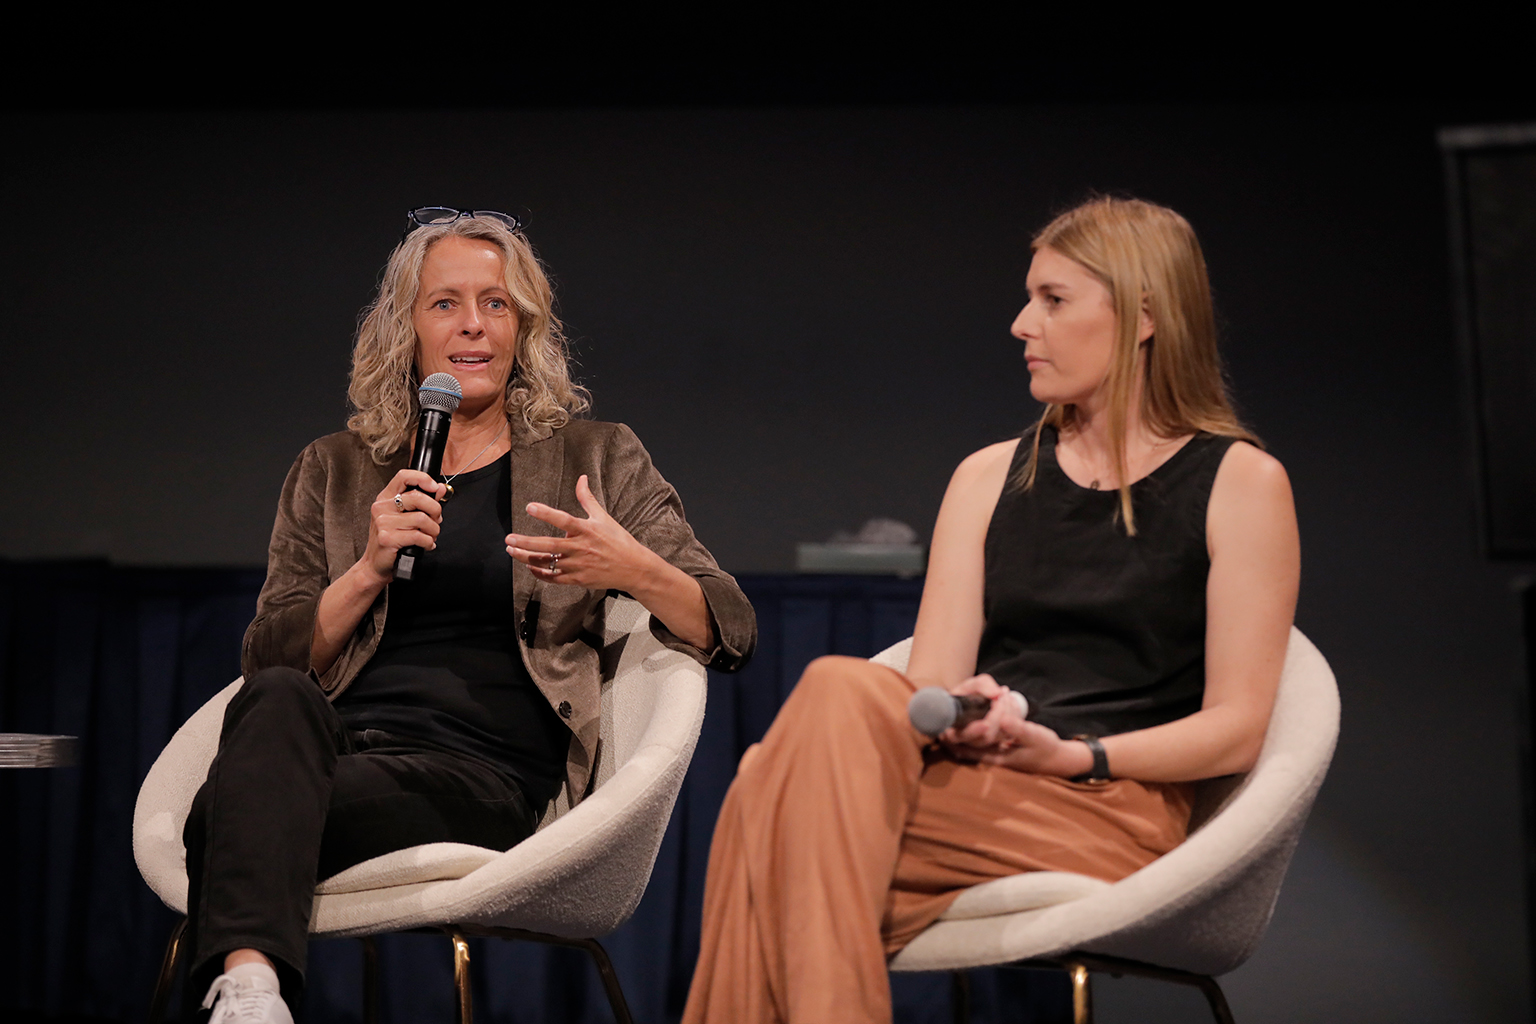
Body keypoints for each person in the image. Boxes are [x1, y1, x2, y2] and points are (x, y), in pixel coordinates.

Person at [681, 196, 1300, 1024]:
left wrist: (1075, 756)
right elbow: (926, 687)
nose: (1020, 324)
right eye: (1028, 297)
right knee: (837, 689)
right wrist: (974, 716)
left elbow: (1238, 727)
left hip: (1109, 805)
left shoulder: (1239, 484)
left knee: (766, 801)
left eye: (1053, 299)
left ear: (1146, 314)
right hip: (973, 780)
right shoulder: (987, 477)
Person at [183, 208, 756, 1024]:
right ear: (406, 329)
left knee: (224, 815)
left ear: (525, 326)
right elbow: (270, 655)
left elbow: (730, 628)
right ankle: (254, 996)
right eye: (445, 303)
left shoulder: (597, 456)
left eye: (496, 303)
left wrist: (631, 567)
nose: (473, 326)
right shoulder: (335, 469)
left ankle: (243, 990)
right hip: (337, 744)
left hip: (482, 771)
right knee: (271, 704)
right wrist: (369, 568)